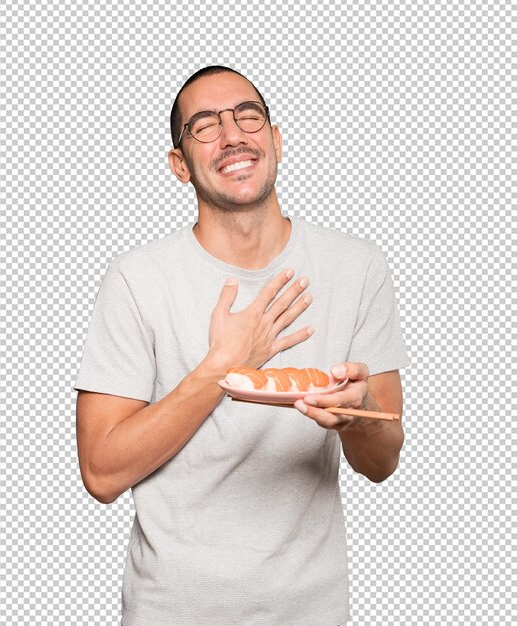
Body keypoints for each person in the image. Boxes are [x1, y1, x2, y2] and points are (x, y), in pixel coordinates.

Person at [74, 65, 409, 626]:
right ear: (180, 165)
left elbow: (383, 462)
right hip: (172, 612)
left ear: (276, 139)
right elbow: (102, 473)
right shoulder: (136, 278)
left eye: (248, 116)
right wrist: (222, 369)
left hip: (313, 611)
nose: (233, 135)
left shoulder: (358, 267)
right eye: (204, 126)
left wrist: (360, 417)